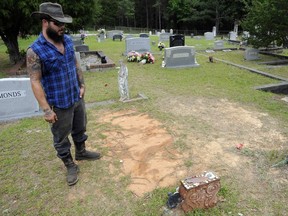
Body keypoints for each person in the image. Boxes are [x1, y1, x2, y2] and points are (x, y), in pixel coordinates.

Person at [27, 2, 101, 186]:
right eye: (57, 24)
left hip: (76, 97)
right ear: (45, 22)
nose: (62, 27)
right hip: (58, 104)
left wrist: (81, 84)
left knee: (80, 127)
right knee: (60, 138)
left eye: (63, 24)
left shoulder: (66, 40)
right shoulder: (35, 50)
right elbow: (35, 80)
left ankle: (81, 152)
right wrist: (46, 110)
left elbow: (75, 64)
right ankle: (70, 165)